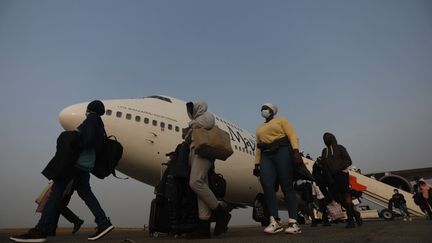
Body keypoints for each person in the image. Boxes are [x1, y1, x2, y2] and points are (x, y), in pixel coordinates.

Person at [10, 100, 114, 242]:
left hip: (75, 163)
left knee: (56, 193)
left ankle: (41, 230)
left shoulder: (92, 119)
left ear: (90, 109)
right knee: (86, 193)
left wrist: (75, 137)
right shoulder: (99, 124)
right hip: (84, 165)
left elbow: (87, 140)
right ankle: (103, 222)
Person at [183, 101, 231, 238]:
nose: (191, 111)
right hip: (194, 153)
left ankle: (221, 213)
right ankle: (204, 228)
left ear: (198, 108)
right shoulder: (195, 122)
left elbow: (207, 124)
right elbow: (188, 138)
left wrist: (190, 126)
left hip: (204, 153)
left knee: (195, 182)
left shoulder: (206, 116)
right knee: (201, 190)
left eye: (192, 108)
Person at [253, 103, 303, 234]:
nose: (263, 110)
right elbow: (258, 147)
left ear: (273, 111)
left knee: (286, 185)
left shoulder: (281, 120)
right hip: (266, 155)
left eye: (266, 109)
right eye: (262, 109)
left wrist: (296, 151)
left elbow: (292, 135)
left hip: (282, 151)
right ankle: (275, 221)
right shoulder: (259, 128)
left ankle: (293, 222)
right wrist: (256, 164)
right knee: (267, 184)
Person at [320, 132, 358, 229]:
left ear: (333, 138)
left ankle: (351, 220)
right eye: (324, 138)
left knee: (346, 195)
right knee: (338, 198)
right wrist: (328, 177)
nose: (326, 139)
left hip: (342, 174)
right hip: (331, 177)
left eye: (328, 137)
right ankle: (355, 214)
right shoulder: (325, 151)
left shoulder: (340, 148)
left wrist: (337, 168)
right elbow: (324, 166)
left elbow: (348, 161)